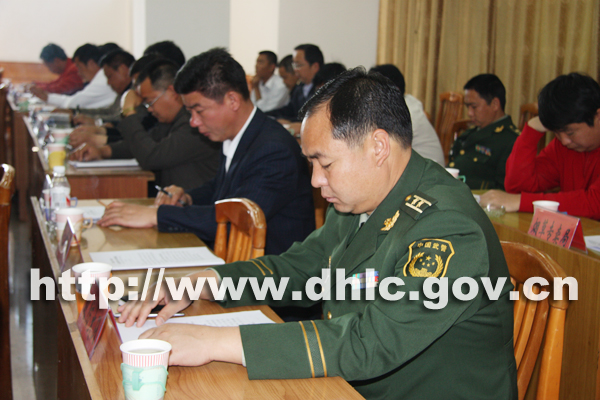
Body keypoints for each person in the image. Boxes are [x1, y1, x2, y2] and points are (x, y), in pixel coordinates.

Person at [118, 68, 516, 400]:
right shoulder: (362, 197)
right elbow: (303, 266)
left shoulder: (447, 226)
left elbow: (370, 342)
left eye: (324, 164)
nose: (315, 181)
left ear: (378, 146)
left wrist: (212, 342)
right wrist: (204, 281)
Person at [98, 48, 315, 255]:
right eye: (189, 112)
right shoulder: (238, 134)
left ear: (232, 100)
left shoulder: (274, 150)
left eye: (199, 111)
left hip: (269, 273)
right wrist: (188, 197)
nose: (193, 122)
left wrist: (157, 215)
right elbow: (222, 190)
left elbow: (236, 220)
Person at [72, 59, 221, 191]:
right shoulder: (172, 120)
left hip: (194, 207)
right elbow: (142, 145)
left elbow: (151, 157)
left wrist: (129, 111)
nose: (149, 109)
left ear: (172, 92)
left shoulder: (194, 125)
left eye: (150, 101)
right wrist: (102, 151)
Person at [480, 73, 600, 219]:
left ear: (598, 116)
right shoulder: (565, 146)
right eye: (556, 132)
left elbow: (595, 203)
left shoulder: (569, 144)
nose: (564, 141)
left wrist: (522, 202)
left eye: (570, 132)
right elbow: (518, 186)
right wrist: (531, 130)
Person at [447, 74, 519, 189]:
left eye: (474, 107)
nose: (469, 113)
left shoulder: (511, 141)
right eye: (467, 107)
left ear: (495, 104)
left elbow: (503, 188)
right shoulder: (470, 133)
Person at [370, 64, 444, 165]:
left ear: (394, 89)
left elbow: (384, 150)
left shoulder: (403, 113)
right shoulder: (405, 102)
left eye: (375, 90)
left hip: (429, 170)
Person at [30, 44, 116, 109]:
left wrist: (47, 97)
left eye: (79, 67)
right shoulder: (100, 77)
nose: (79, 73)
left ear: (91, 64)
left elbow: (73, 103)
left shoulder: (103, 79)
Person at [72, 49, 136, 126]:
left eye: (110, 76)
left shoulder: (136, 92)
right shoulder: (123, 91)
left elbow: (119, 119)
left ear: (123, 69)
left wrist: (97, 122)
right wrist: (77, 112)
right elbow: (109, 111)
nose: (108, 83)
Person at [267, 44, 324, 122]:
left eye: (298, 65)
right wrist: (267, 115)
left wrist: (290, 122)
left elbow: (313, 118)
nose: (295, 70)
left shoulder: (324, 89)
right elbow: (290, 110)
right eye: (294, 65)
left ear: (315, 67)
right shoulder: (299, 88)